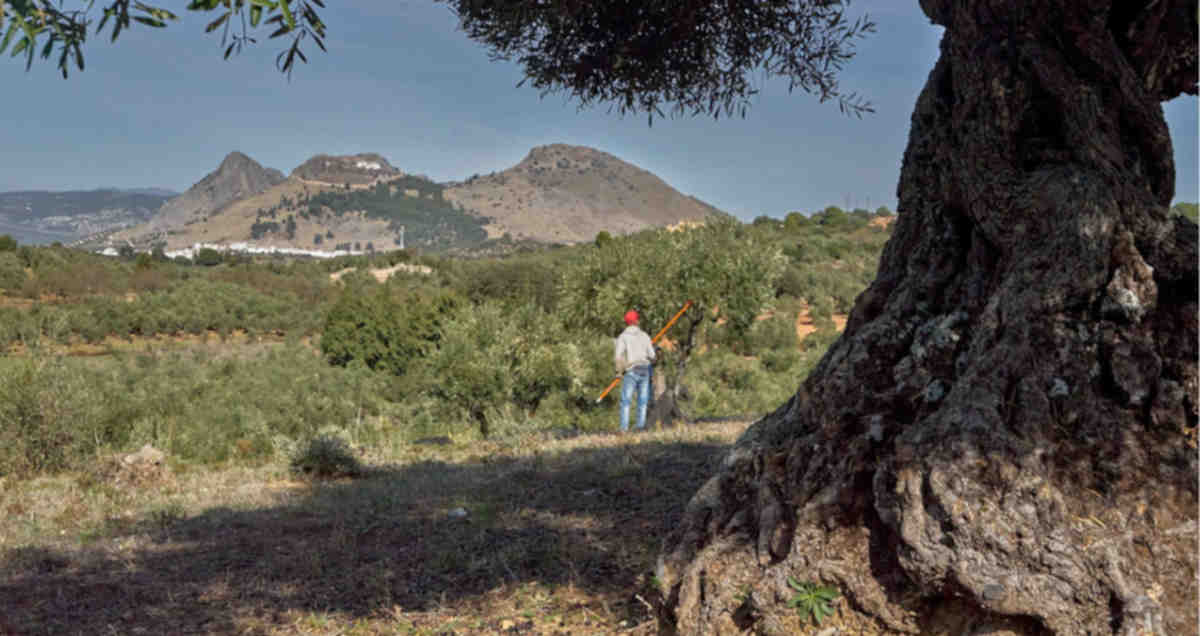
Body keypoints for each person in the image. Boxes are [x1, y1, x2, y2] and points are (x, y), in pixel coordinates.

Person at [614, 309, 656, 432]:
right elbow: (653, 356)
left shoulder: (623, 337)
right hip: (645, 369)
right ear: (636, 321)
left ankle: (624, 429)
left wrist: (618, 372)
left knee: (626, 401)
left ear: (626, 322)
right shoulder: (645, 335)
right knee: (642, 401)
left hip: (631, 370)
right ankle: (640, 427)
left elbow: (618, 356)